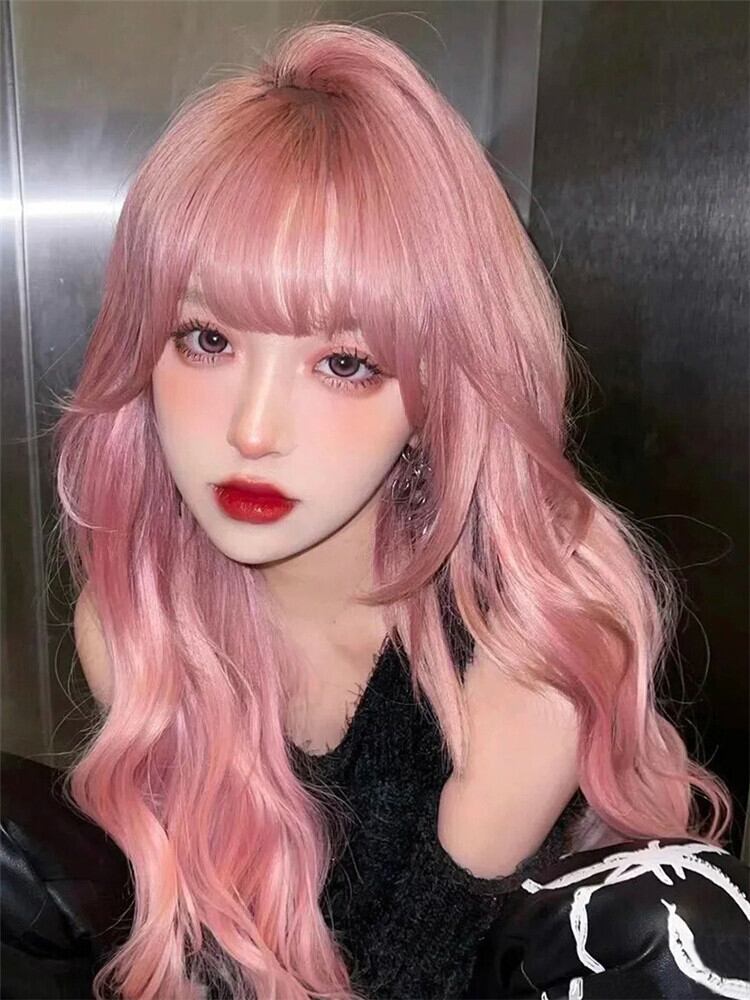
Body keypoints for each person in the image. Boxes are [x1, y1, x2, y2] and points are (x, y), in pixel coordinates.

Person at [52, 20, 734, 1000]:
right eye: (206, 339)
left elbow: (426, 968)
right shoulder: (141, 626)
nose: (252, 430)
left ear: (437, 393)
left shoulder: (525, 631)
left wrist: (479, 841)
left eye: (345, 362)